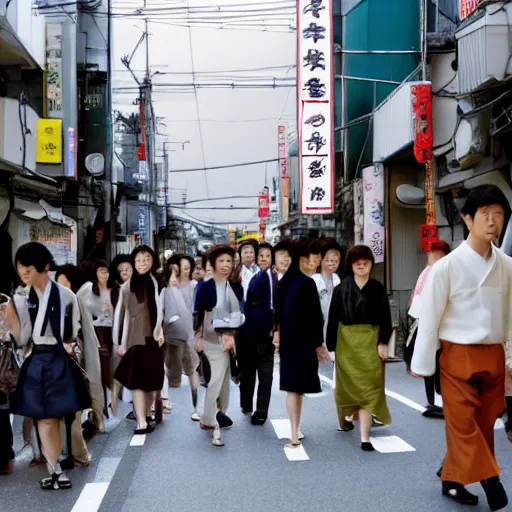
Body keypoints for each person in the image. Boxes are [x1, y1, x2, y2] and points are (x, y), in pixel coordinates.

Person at [411, 185, 512, 510]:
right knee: (463, 423)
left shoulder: (507, 266)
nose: (493, 222)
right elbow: (429, 319)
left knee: (483, 424)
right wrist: (423, 362)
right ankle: (490, 478)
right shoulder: (446, 268)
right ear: (467, 219)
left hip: (494, 353)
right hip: (457, 354)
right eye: (485, 215)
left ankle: (452, 479)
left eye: (499, 215)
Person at [10, 242, 90, 490]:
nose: (24, 271)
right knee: (44, 418)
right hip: (37, 359)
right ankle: (55, 470)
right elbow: (22, 339)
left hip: (58, 357)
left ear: (44, 266)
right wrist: (10, 320)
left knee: (57, 416)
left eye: (28, 265)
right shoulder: (20, 297)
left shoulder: (66, 295)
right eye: (20, 266)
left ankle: (60, 466)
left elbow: (73, 331)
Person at [326, 245, 392, 451]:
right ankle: (346, 417)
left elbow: (386, 318)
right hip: (346, 343)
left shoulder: (377, 287)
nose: (362, 266)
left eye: (366, 263)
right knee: (347, 388)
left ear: (371, 264)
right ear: (351, 266)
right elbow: (333, 318)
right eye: (357, 263)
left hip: (371, 342)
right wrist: (330, 345)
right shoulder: (341, 288)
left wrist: (383, 343)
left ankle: (365, 437)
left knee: (369, 390)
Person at [273, 240, 329, 449]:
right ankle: (296, 431)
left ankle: (294, 432)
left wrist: (277, 333)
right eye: (311, 258)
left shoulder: (283, 282)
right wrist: (319, 345)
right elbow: (315, 317)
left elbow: (276, 313)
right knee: (299, 390)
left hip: (289, 342)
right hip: (305, 343)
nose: (314, 262)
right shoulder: (307, 283)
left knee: (291, 389)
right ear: (302, 259)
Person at [112, 245, 165, 435]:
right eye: (139, 260)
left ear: (152, 261)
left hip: (154, 339)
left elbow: (162, 309)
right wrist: (122, 342)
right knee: (136, 381)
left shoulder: (158, 282)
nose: (143, 263)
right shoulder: (127, 286)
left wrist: (160, 330)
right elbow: (124, 316)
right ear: (134, 263)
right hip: (135, 338)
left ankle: (146, 412)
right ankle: (141, 421)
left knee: (152, 382)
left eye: (146, 259)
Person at [194, 245, 244, 447]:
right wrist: (196, 337)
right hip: (208, 341)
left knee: (223, 385)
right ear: (213, 264)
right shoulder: (204, 287)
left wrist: (232, 335)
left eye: (229, 261)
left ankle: (217, 414)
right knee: (215, 381)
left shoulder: (235, 287)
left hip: (227, 343)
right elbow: (196, 315)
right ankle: (211, 422)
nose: (225, 265)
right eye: (221, 261)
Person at [404, 239, 451, 419]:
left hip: (440, 325)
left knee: (439, 364)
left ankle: (440, 402)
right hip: (424, 322)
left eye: (437, 255)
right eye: (431, 254)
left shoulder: (443, 271)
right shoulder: (427, 272)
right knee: (429, 362)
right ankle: (433, 401)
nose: (433, 258)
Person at [238, 245, 278, 425]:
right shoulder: (240, 274)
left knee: (266, 374)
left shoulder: (275, 277)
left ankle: (261, 411)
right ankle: (246, 404)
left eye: (267, 255)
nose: (263, 258)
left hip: (266, 334)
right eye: (260, 255)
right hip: (247, 332)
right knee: (247, 373)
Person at [160, 255, 200, 421]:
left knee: (193, 369)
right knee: (170, 375)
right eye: (177, 270)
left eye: (186, 267)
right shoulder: (165, 290)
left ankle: (197, 406)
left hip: (189, 335)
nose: (185, 270)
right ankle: (162, 400)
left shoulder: (194, 286)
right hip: (170, 336)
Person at [312, 239, 342, 344]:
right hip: (316, 328)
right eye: (328, 260)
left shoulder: (338, 280)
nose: (332, 263)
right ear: (321, 260)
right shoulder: (314, 280)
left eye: (335, 260)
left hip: (333, 328)